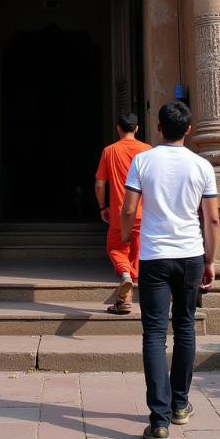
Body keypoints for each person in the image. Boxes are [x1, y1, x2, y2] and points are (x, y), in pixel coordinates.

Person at [120, 101, 220, 439]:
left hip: (154, 257)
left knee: (153, 333)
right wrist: (210, 260)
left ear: (158, 128)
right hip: (191, 255)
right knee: (186, 326)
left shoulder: (143, 160)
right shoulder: (202, 165)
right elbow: (212, 219)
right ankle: (180, 404)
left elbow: (130, 208)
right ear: (189, 129)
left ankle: (159, 422)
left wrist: (121, 236)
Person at [94, 113, 151, 314]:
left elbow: (100, 183)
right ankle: (125, 299)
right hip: (144, 214)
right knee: (137, 256)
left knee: (117, 250)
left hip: (120, 214)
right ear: (137, 128)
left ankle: (125, 279)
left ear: (118, 128)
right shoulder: (147, 151)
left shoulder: (110, 151)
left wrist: (103, 207)